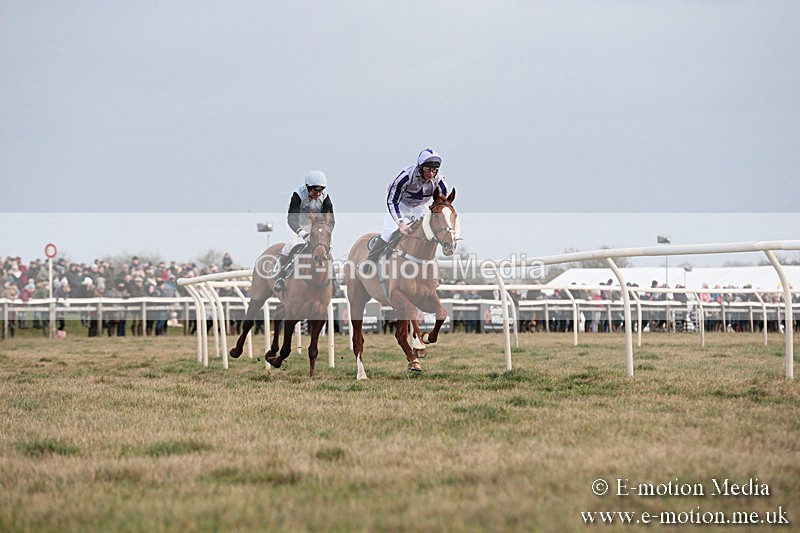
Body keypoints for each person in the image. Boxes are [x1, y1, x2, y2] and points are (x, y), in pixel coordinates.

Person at [367, 148, 450, 263]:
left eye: (434, 170)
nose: (431, 173)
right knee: (389, 233)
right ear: (420, 167)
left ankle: (428, 261)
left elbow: (441, 204)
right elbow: (392, 201)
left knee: (429, 232)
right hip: (399, 206)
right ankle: (370, 261)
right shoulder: (406, 176)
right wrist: (401, 224)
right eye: (427, 169)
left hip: (419, 208)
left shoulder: (439, 181)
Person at [273, 170, 335, 292]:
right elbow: (291, 219)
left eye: (320, 190)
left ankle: (334, 279)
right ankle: (280, 276)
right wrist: (302, 233)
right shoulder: (297, 195)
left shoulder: (326, 198)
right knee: (291, 245)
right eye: (314, 190)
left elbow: (331, 221)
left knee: (325, 249)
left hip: (314, 226)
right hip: (296, 224)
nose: (318, 193)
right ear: (307, 187)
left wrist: (325, 233)